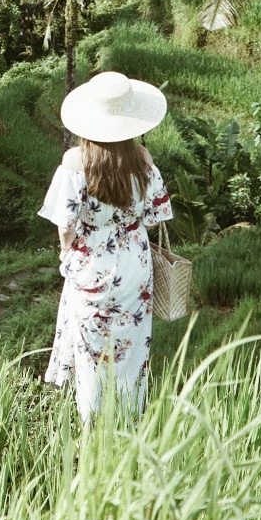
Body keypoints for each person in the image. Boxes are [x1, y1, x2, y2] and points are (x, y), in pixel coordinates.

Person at [38, 70, 174, 421]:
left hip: (91, 263)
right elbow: (156, 216)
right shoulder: (143, 159)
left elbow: (65, 224)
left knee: (90, 345)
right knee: (132, 341)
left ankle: (90, 419)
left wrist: (65, 252)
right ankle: (131, 414)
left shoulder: (75, 162)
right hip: (134, 262)